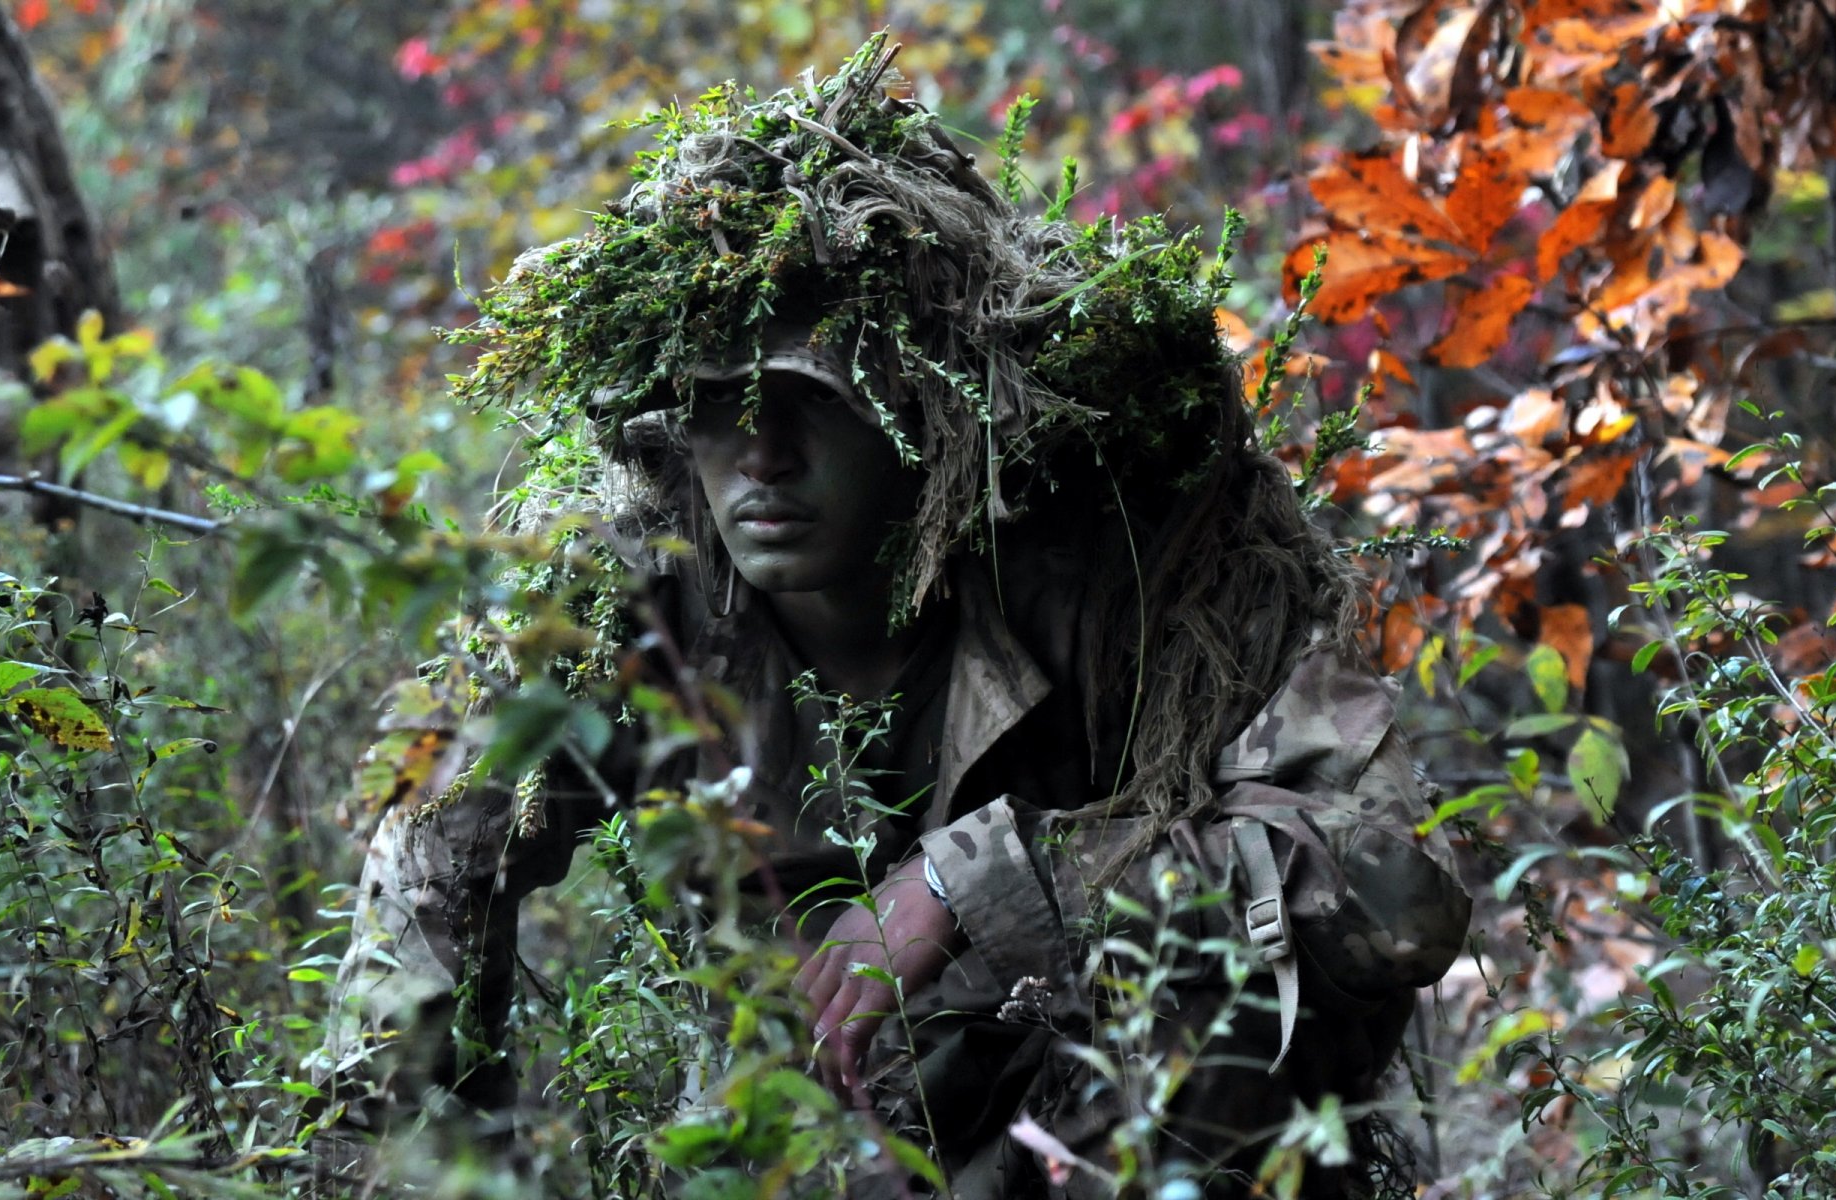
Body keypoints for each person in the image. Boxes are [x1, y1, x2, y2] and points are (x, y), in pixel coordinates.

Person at [315, 36, 1471, 1199]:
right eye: (720, 409)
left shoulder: (1124, 557)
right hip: (829, 1130)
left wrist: (991, 881)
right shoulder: (628, 593)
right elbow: (425, 872)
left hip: (1135, 1122)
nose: (758, 458)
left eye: (808, 404)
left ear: (920, 412)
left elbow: (1395, 888)